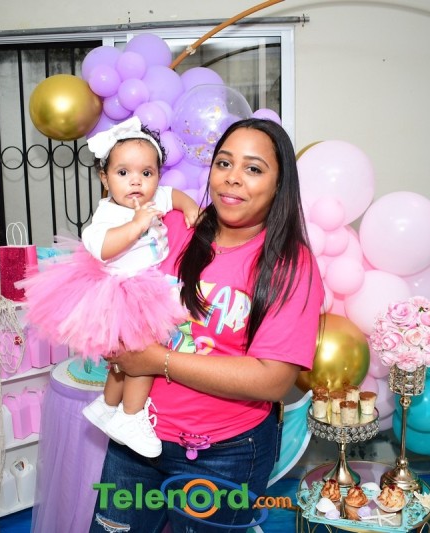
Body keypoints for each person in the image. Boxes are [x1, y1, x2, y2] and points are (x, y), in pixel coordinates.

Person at [88, 118, 324, 532]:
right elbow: (106, 281)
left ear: (279, 184)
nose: (232, 178)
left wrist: (156, 360)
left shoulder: (291, 265)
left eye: (253, 169)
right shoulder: (169, 227)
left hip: (226, 454)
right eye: (224, 163)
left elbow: (272, 379)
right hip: (135, 436)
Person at [18, 116, 199, 459]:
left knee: (122, 359)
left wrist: (189, 206)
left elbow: (173, 195)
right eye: (123, 172)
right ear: (105, 178)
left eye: (147, 173)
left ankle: (107, 404)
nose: (136, 181)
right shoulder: (108, 214)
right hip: (121, 292)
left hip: (144, 286)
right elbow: (102, 247)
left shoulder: (153, 198)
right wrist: (136, 225)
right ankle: (131, 417)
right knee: (144, 354)